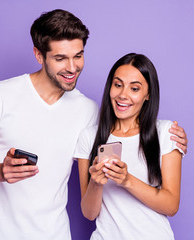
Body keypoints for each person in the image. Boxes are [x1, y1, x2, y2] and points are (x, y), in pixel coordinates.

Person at [0, 9, 188, 240]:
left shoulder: (88, 111)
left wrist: (169, 136)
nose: (72, 68)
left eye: (78, 55)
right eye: (60, 58)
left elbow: (127, 132)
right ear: (38, 54)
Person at [74, 53, 183, 239]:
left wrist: (127, 181)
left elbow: (171, 205)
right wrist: (96, 182)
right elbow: (89, 213)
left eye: (134, 88)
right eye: (118, 85)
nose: (123, 95)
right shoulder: (89, 137)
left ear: (148, 94)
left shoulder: (166, 132)